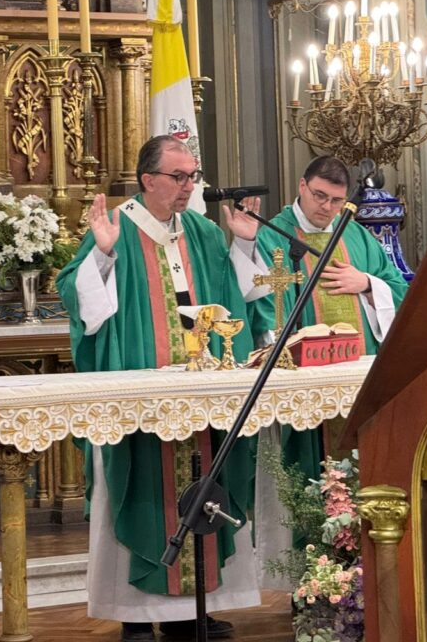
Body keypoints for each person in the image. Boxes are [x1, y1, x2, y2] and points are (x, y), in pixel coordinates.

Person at [57, 136, 271, 642]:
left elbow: (242, 298)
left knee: (205, 489)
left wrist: (243, 245)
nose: (189, 185)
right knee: (139, 491)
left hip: (201, 393)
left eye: (193, 175)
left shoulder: (202, 230)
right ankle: (134, 614)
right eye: (178, 176)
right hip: (141, 393)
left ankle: (194, 612)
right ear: (148, 179)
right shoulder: (116, 227)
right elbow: (79, 302)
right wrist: (102, 256)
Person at [251, 156, 408, 559]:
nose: (327, 207)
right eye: (320, 196)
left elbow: (400, 288)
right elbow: (260, 305)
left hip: (355, 380)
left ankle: (354, 565)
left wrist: (367, 283)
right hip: (303, 382)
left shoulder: (356, 236)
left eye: (337, 200)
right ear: (301, 186)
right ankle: (309, 568)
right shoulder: (272, 234)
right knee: (306, 473)